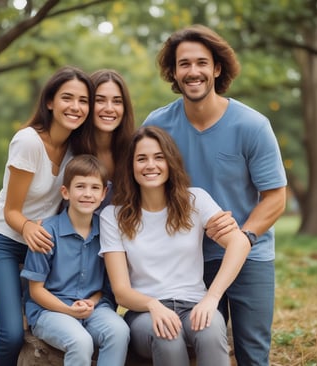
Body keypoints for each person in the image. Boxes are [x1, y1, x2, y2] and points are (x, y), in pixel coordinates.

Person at [143, 24, 287, 365]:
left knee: (252, 353)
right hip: (186, 258)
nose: (193, 72)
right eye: (184, 64)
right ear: (174, 73)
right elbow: (140, 185)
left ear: (217, 68)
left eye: (201, 63)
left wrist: (246, 235)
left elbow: (275, 197)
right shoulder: (158, 125)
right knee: (193, 348)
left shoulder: (252, 125)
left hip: (250, 255)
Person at [99, 126, 251, 366]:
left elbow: (240, 243)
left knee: (211, 331)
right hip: (144, 314)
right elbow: (121, 291)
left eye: (159, 157)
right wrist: (153, 305)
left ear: (170, 162)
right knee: (167, 335)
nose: (151, 165)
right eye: (141, 159)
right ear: (130, 166)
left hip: (195, 305)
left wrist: (212, 298)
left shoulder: (195, 200)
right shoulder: (112, 216)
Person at [0, 66, 94, 366]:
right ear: (50, 102)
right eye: (67, 98)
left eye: (83, 101)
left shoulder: (76, 149)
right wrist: (28, 227)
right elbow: (11, 211)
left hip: (42, 250)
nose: (76, 107)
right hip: (3, 242)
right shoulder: (28, 142)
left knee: (41, 327)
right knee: (11, 333)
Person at [20, 154, 130, 366]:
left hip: (94, 308)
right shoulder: (46, 232)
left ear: (104, 193)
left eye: (95, 188)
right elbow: (36, 291)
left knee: (119, 331)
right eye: (80, 186)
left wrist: (91, 303)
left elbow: (105, 287)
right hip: (49, 310)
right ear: (66, 192)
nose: (87, 194)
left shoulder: (107, 231)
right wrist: (69, 310)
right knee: (80, 341)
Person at [73, 68, 135, 206]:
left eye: (117, 102)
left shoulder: (134, 153)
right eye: (100, 100)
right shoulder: (70, 150)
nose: (109, 108)